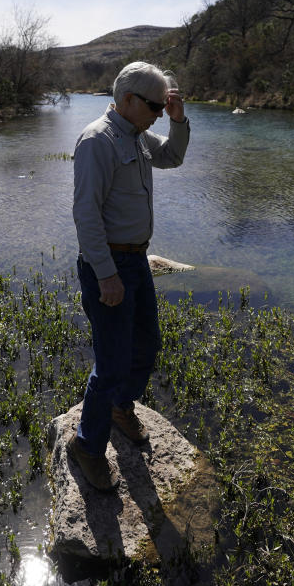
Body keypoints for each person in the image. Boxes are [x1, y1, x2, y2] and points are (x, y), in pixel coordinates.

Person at [68, 61, 190, 491]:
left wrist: (178, 121)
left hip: (136, 261)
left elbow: (173, 157)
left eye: (164, 105)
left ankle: (121, 408)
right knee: (113, 360)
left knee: (146, 345)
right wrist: (106, 276)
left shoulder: (138, 135)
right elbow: (86, 215)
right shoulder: (97, 141)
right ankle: (87, 446)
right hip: (111, 267)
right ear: (127, 100)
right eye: (155, 105)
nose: (159, 112)